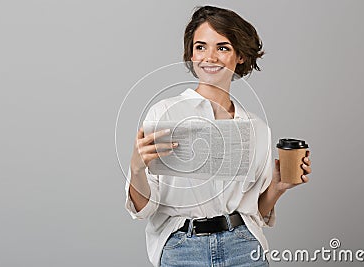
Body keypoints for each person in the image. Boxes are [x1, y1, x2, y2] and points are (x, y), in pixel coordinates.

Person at [125, 5, 312, 267]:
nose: (209, 57)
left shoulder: (256, 128)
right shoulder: (164, 113)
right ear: (191, 54)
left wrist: (278, 187)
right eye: (200, 47)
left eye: (222, 47)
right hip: (182, 249)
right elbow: (145, 208)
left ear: (241, 56)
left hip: (243, 248)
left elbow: (254, 212)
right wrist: (136, 170)